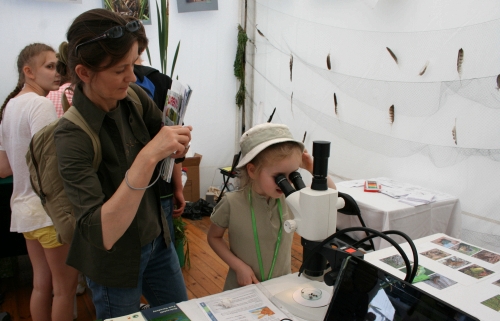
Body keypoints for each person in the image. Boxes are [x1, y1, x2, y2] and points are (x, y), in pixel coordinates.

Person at [53, 9, 191, 318]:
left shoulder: (134, 98)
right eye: (119, 70)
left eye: (133, 65)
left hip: (158, 239)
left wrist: (176, 143)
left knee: (178, 315)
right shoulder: (71, 134)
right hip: (114, 262)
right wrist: (148, 155)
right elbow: (103, 234)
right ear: (84, 73)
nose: (131, 77)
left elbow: (167, 142)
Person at [0, 43, 78, 321]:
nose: (57, 72)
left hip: (23, 210)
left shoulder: (10, 106)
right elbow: (52, 164)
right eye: (49, 66)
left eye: (57, 65)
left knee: (41, 284)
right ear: (28, 71)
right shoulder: (40, 104)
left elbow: (3, 167)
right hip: (47, 212)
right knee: (64, 289)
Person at [207, 123, 336, 290]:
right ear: (252, 170)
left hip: (281, 286)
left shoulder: (292, 200)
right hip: (243, 285)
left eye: (293, 175)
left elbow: (330, 198)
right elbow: (213, 237)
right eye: (279, 176)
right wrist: (238, 266)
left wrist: (312, 168)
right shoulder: (231, 203)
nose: (287, 183)